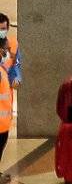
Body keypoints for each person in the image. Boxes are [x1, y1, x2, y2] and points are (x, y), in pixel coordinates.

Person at [0, 12, 15, 178]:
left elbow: (16, 67)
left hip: (5, 107)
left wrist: (17, 78)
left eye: (4, 29)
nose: (1, 32)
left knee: (2, 141)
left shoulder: (13, 45)